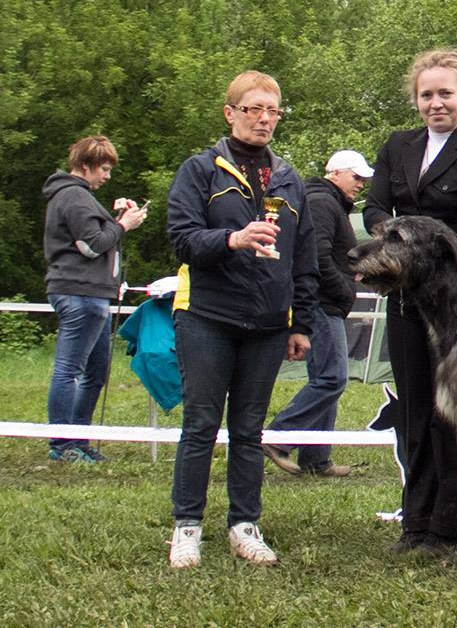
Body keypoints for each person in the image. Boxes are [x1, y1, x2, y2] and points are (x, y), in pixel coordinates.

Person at [166, 70, 319, 568]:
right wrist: (232, 239)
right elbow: (182, 241)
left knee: (249, 430)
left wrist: (301, 323)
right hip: (207, 316)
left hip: (270, 323)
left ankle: (243, 525)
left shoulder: (290, 178)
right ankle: (187, 526)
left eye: (273, 110)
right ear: (230, 113)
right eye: (254, 109)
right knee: (201, 425)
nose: (265, 119)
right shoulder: (200, 170)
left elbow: (305, 256)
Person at [363, 50, 457, 555]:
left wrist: (410, 248)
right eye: (427, 95)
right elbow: (375, 207)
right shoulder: (397, 148)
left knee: (452, 419)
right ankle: (415, 522)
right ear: (416, 100)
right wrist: (399, 244)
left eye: (446, 93)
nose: (436, 103)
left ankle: (450, 526)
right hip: (404, 304)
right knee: (414, 411)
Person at [264, 150, 374, 477]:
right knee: (332, 378)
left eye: (364, 179)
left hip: (325, 302)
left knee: (325, 378)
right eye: (356, 177)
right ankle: (275, 438)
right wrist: (344, 288)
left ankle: (315, 459)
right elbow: (316, 257)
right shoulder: (323, 203)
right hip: (321, 303)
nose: (361, 185)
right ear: (335, 174)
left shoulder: (327, 202)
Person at [42, 135, 147, 463]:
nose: (107, 176)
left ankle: (78, 439)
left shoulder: (80, 197)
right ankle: (62, 444)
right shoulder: (74, 197)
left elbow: (93, 234)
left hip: (92, 294)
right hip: (80, 293)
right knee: (69, 370)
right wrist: (124, 225)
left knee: (95, 372)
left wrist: (114, 219)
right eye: (103, 168)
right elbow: (91, 245)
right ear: (84, 166)